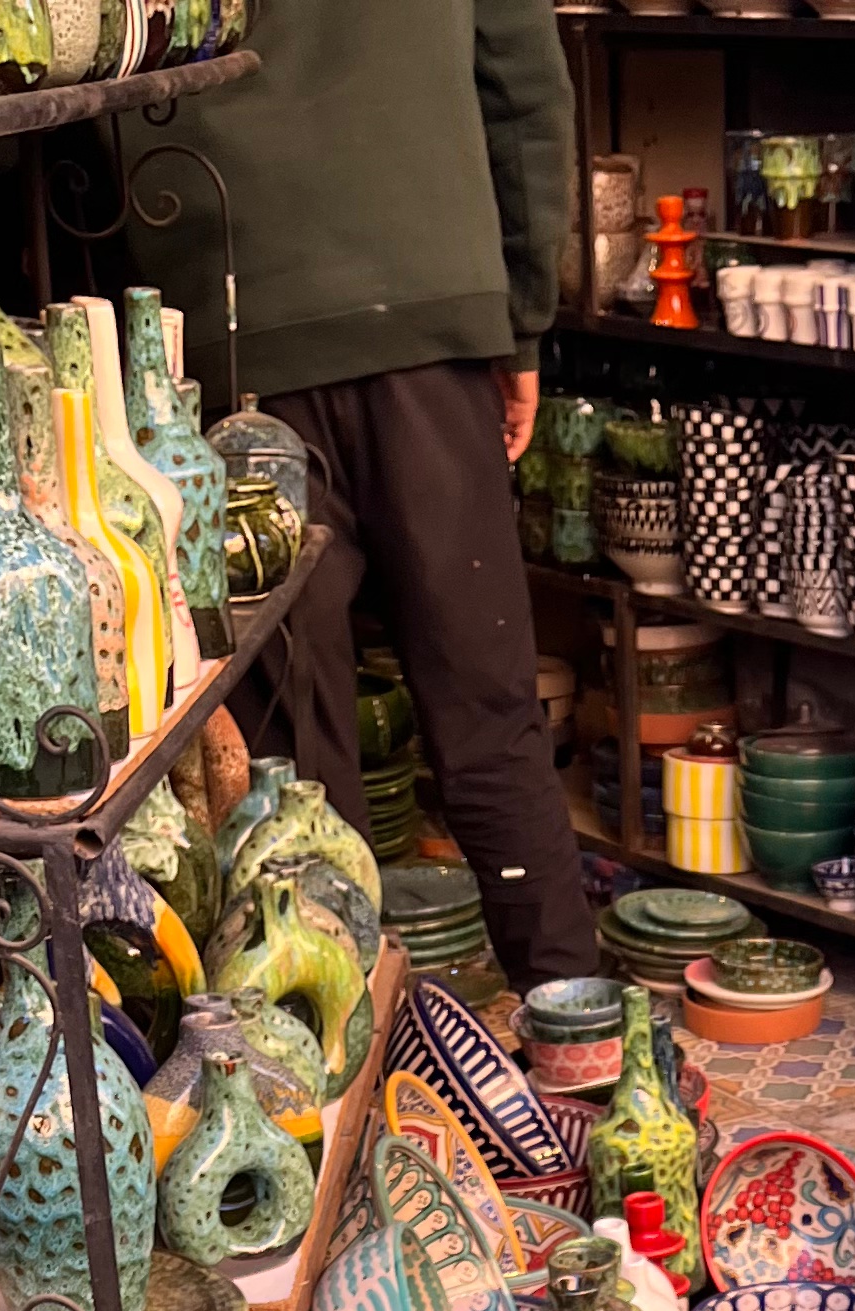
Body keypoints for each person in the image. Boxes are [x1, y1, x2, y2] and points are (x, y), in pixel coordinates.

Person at [158, 0, 599, 995]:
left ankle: (340, 1049)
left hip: (223, 321)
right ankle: (575, 1029)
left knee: (293, 758)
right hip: (429, 310)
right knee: (489, 715)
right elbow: (524, 85)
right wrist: (520, 321)